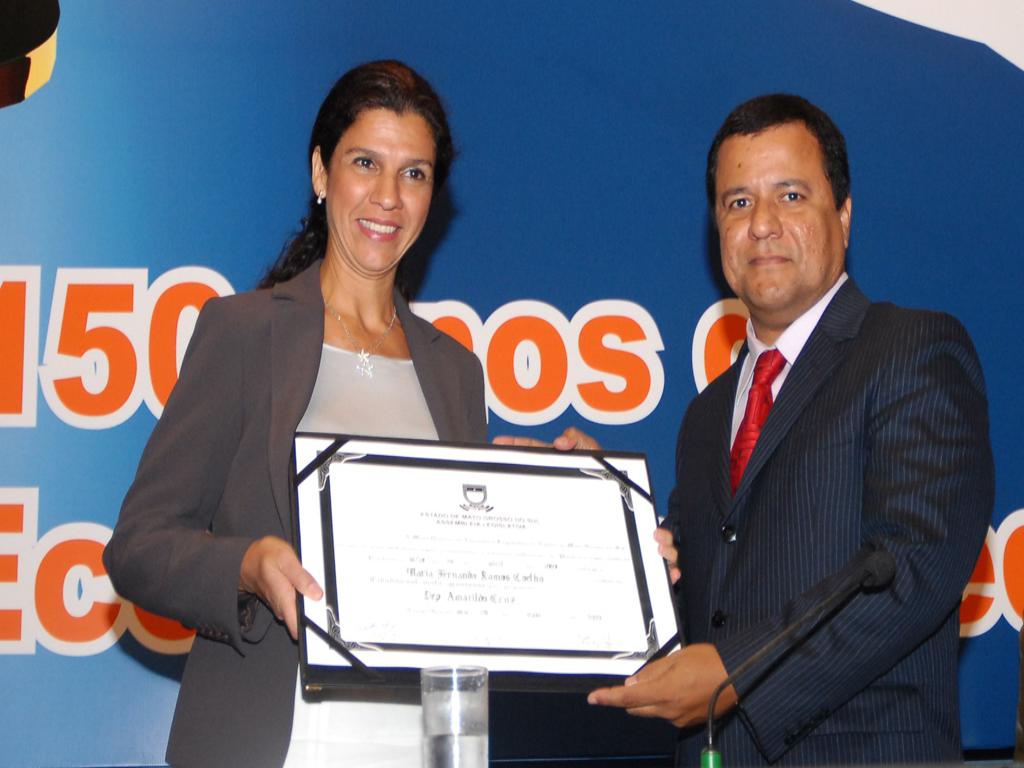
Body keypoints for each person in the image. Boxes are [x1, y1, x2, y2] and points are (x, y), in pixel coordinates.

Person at [576, 94, 994, 765]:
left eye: (791, 196)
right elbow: (698, 607)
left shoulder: (912, 350)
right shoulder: (707, 414)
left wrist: (738, 673)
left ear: (844, 215)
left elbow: (914, 566)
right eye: (738, 202)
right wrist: (601, 519)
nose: (762, 225)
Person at [103, 60, 486, 768]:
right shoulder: (243, 334)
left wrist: (554, 493)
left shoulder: (457, 372)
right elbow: (137, 548)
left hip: (425, 740)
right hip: (276, 737)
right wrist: (245, 564)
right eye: (365, 163)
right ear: (320, 172)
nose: (388, 197)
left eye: (414, 173)